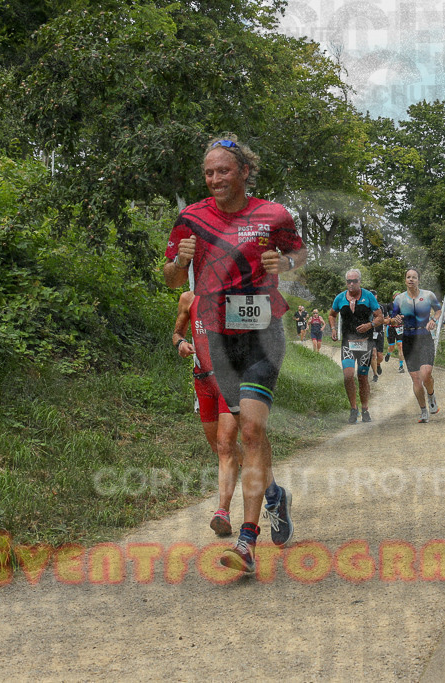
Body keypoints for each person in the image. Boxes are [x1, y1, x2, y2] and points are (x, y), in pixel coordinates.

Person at [163, 134, 306, 574]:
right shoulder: (190, 218)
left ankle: (247, 543)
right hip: (218, 342)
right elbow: (171, 281)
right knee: (251, 434)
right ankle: (274, 494)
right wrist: (178, 262)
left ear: (244, 172)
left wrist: (284, 265)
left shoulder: (273, 215)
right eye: (208, 172)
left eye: (223, 170)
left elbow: (299, 257)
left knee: (249, 432)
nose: (215, 179)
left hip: (262, 333)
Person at [171, 291, 240, 536]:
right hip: (203, 381)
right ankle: (270, 484)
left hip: (230, 379)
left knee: (224, 444)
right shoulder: (188, 299)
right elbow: (177, 333)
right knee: (219, 446)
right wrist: (181, 343)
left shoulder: (234, 297)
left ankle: (223, 512)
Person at [329, 269, 383, 423]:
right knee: (347, 376)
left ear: (360, 281)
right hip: (348, 343)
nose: (351, 284)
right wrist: (333, 329)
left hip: (365, 343)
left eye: (354, 281)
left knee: (363, 377)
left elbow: (380, 317)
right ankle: (353, 409)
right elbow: (332, 314)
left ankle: (365, 409)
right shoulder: (340, 298)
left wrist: (369, 324)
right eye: (348, 281)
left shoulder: (368, 296)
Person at [390, 268, 442, 423]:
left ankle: (431, 395)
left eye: (414, 277)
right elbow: (392, 319)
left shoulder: (428, 295)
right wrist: (395, 320)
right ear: (405, 280)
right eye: (408, 277)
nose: (411, 280)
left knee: (426, 374)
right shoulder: (399, 299)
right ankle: (424, 410)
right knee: (415, 378)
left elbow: (438, 311)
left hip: (424, 336)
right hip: (408, 338)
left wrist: (434, 320)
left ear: (419, 280)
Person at [383, 301, 406, 373]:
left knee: (400, 346)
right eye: (396, 296)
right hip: (391, 328)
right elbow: (386, 318)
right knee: (391, 347)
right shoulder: (388, 305)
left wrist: (403, 316)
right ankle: (389, 353)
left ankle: (401, 366)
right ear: (393, 297)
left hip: (400, 328)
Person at [369, 290, 385, 383]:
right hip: (370, 334)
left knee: (380, 356)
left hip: (379, 334)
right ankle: (375, 374)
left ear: (376, 297)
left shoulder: (382, 307)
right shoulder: (366, 307)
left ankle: (378, 364)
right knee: (373, 354)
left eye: (374, 296)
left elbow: (387, 319)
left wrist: (380, 320)